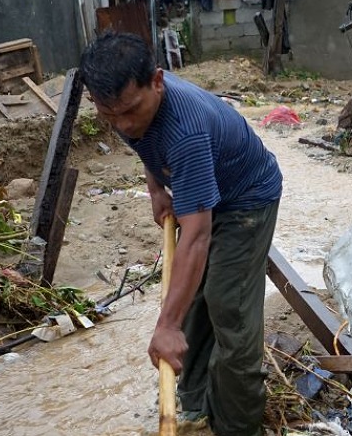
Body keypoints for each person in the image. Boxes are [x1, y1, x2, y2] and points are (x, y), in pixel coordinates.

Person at [80, 32, 283, 435]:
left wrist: (166, 327)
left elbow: (197, 237)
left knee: (229, 308)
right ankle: (193, 404)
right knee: (189, 300)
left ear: (157, 81)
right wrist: (156, 190)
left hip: (246, 198)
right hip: (205, 190)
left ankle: (238, 425)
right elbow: (145, 145)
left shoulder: (185, 130)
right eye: (110, 115)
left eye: (131, 111)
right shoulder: (124, 106)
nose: (123, 125)